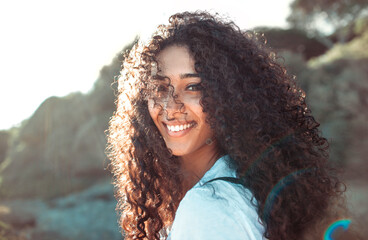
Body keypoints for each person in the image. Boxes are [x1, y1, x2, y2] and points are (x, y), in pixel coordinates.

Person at [107, 11, 349, 240]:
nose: (170, 107)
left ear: (230, 97)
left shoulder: (207, 209)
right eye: (159, 88)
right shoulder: (251, 185)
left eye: (193, 87)